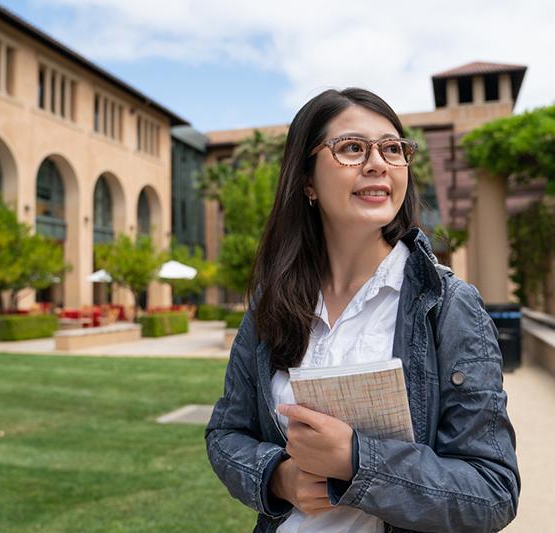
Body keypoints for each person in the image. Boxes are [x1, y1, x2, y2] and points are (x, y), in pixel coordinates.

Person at [205, 88, 520, 533]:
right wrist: (279, 477)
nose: (378, 162)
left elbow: (493, 491)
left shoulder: (449, 305)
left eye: (392, 149)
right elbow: (225, 434)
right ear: (307, 181)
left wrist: (358, 459)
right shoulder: (270, 302)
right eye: (352, 148)